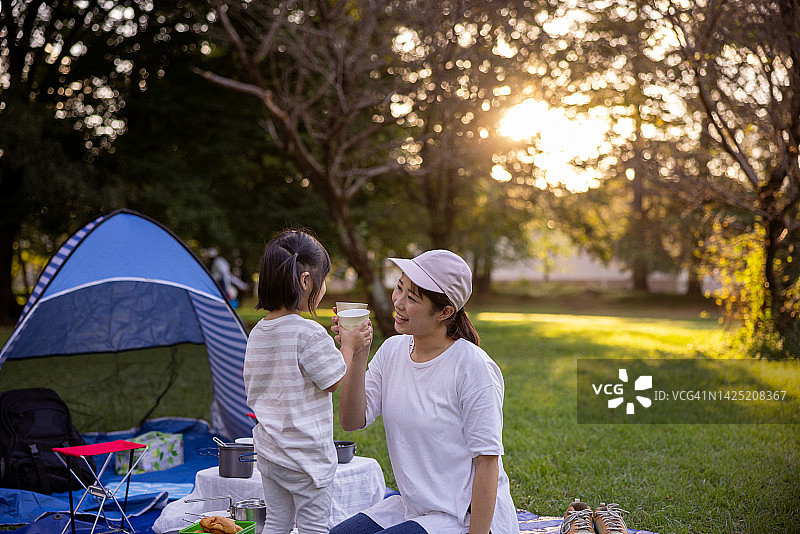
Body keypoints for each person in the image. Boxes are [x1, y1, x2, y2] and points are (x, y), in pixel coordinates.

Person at [331, 250, 520, 534]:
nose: (398, 302)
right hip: (413, 507)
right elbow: (352, 420)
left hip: (463, 517)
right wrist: (358, 355)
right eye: (399, 288)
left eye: (412, 298)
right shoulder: (393, 350)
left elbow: (487, 463)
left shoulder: (473, 368)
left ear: (445, 312)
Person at [243, 230, 372, 534]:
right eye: (323, 278)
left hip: (271, 452)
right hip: (306, 458)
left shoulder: (257, 332)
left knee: (277, 521)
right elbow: (334, 379)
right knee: (314, 527)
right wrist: (349, 346)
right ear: (305, 281)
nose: (324, 286)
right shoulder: (307, 333)